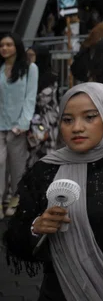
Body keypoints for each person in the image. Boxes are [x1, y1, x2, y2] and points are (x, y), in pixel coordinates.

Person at [4, 82, 103, 300]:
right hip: (59, 291)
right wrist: (36, 227)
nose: (77, 127)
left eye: (90, 117)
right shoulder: (45, 169)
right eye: (68, 120)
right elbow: (15, 236)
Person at [1, 32, 38, 218]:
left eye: (8, 44)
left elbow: (30, 98)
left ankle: (15, 201)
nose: (4, 48)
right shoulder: (0, 68)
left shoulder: (30, 68)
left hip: (17, 127)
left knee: (17, 167)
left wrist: (22, 123)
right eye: (2, 45)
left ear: (16, 46)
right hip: (0, 125)